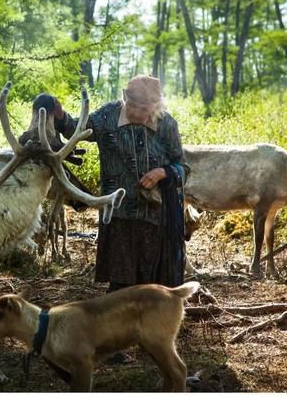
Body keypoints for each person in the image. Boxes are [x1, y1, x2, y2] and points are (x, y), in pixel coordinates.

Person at [44, 75, 188, 293]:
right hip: (118, 214)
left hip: (156, 217)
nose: (138, 113)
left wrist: (162, 172)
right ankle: (119, 323)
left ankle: (151, 323)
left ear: (156, 106)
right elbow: (77, 128)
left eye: (144, 109)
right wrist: (60, 115)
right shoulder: (108, 116)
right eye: (133, 106)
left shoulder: (166, 124)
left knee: (154, 285)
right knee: (121, 284)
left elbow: (183, 168)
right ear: (124, 97)